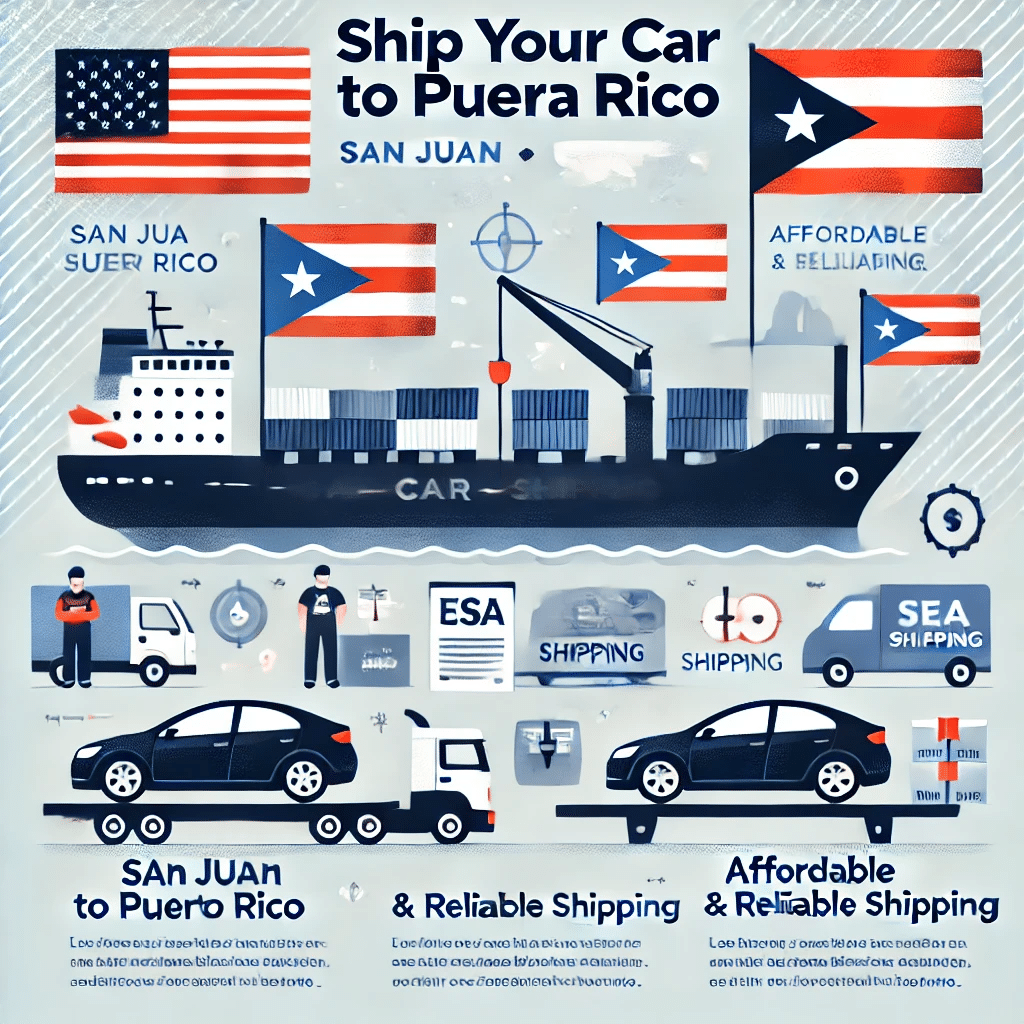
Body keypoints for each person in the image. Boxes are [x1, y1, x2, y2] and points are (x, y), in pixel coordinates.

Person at [297, 565, 346, 688]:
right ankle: (309, 678)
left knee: (331, 649)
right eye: (320, 575)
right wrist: (303, 624)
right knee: (311, 649)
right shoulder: (309, 592)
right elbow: (301, 608)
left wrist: (339, 621)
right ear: (315, 576)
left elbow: (342, 606)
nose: (323, 577)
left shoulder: (334, 592)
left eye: (325, 575)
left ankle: (331, 678)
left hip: (329, 619)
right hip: (313, 619)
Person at [54, 566, 100, 688]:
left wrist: (73, 614)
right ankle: (68, 679)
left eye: (80, 584)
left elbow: (95, 614)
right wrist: (82, 614)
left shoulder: (89, 597)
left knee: (85, 653)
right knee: (68, 654)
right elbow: (59, 614)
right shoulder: (64, 597)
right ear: (70, 583)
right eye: (75, 584)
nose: (77, 587)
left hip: (84, 630)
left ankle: (84, 679)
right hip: (69, 630)